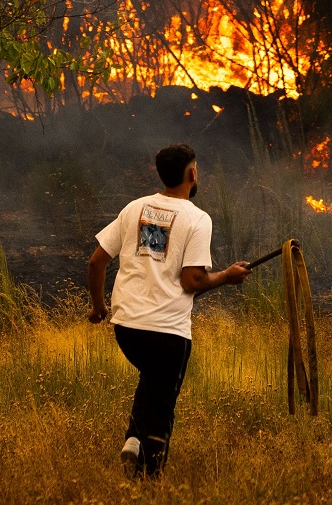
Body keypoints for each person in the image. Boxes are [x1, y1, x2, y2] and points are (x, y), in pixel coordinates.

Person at [87, 143, 251, 477]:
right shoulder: (197, 218)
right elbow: (192, 280)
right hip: (167, 332)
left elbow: (96, 261)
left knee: (152, 377)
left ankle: (133, 438)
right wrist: (227, 276)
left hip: (127, 328)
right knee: (163, 404)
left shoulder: (135, 208)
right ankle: (149, 477)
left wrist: (99, 306)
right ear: (192, 173)